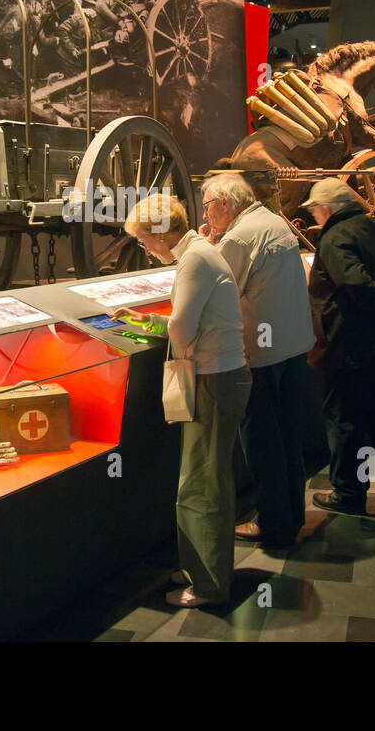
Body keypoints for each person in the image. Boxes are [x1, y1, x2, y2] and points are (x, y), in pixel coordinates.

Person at [112, 193, 251, 608]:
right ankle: (204, 566)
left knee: (201, 485)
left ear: (160, 233)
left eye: (144, 240)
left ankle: (208, 585)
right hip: (220, 377)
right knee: (208, 480)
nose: (145, 248)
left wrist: (165, 326)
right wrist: (152, 320)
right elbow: (187, 321)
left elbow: (184, 332)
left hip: (213, 381)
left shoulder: (193, 260)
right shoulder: (200, 254)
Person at [200, 173, 314, 548]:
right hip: (294, 348)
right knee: (288, 437)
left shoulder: (239, 236)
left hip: (262, 357)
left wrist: (207, 249)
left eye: (207, 205)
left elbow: (214, 289)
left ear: (226, 204)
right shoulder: (272, 222)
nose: (205, 212)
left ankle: (273, 523)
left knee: (262, 442)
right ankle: (291, 516)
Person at [305, 178, 375, 515]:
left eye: (314, 209)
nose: (313, 216)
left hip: (347, 345)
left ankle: (349, 493)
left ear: (328, 208)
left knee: (344, 419)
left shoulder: (335, 237)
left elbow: (353, 280)